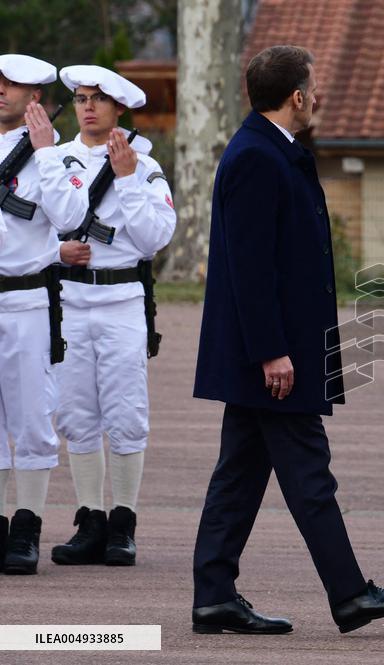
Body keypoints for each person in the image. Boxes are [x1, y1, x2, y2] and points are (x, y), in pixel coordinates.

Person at [191, 45, 384, 634]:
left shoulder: (272, 151)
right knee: (309, 472)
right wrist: (272, 350)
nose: (317, 95)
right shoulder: (256, 157)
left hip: (273, 351)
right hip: (272, 355)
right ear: (296, 95)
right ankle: (350, 594)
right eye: (313, 86)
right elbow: (249, 267)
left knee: (240, 475)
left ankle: (215, 595)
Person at [47, 65, 176, 568]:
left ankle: (123, 522)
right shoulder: (54, 159)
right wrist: (59, 251)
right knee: (76, 414)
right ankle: (89, 520)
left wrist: (124, 181)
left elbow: (153, 239)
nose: (88, 107)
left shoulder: (144, 166)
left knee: (125, 413)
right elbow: (32, 230)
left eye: (99, 99)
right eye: (80, 98)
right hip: (69, 302)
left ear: (118, 108)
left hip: (122, 301)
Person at [0, 54, 88, 574]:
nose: (1, 91)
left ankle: (26, 526)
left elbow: (73, 217)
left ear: (35, 99)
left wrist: (47, 155)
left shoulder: (48, 157)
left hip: (25, 301)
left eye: (12, 86)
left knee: (32, 416)